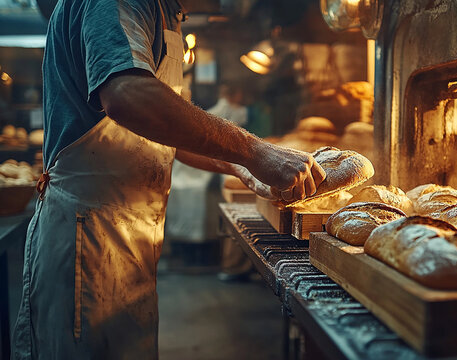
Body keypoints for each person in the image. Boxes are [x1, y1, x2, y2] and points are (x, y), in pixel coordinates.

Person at [11, 0, 325, 359]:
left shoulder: (166, 14)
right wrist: (255, 150)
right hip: (87, 235)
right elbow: (128, 95)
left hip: (128, 238)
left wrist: (240, 166)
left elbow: (162, 128)